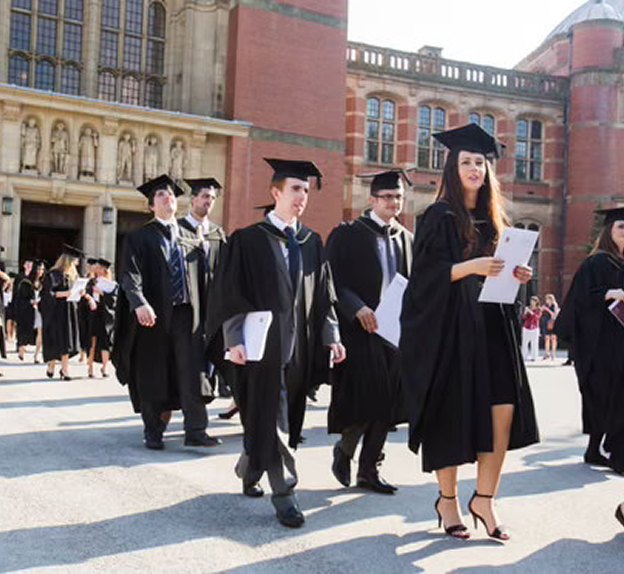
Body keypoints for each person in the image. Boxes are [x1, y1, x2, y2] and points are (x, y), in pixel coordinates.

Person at [400, 124, 539, 541]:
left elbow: (506, 281)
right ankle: (448, 500)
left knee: (502, 412)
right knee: (452, 414)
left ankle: (484, 498)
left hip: (494, 328)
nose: (475, 168)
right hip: (452, 332)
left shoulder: (497, 221)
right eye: (466, 162)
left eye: (480, 162)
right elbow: (422, 280)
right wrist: (471, 267)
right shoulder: (438, 217)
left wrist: (519, 275)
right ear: (452, 167)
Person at [207, 158, 346, 528]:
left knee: (277, 417)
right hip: (260, 348)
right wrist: (233, 339)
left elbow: (324, 298)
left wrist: (331, 335)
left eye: (305, 190)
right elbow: (230, 292)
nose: (302, 197)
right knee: (273, 415)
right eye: (295, 189)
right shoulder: (248, 240)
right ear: (275, 193)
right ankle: (285, 493)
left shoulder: (312, 242)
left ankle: (250, 465)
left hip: (299, 348)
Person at [112, 174, 220, 450]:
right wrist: (140, 303)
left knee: (191, 371)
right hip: (155, 317)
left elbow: (204, 278)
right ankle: (154, 431)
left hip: (187, 315)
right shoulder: (140, 237)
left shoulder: (189, 236)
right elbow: (129, 276)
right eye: (160, 195)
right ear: (151, 206)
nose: (168, 197)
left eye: (171, 194)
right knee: (153, 372)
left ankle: (196, 430)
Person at [326, 169, 414, 495]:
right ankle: (346, 449)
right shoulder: (348, 234)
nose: (394, 203)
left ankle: (369, 470)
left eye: (398, 198)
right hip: (359, 331)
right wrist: (356, 307)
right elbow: (331, 278)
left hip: (394, 332)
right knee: (368, 398)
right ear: (372, 200)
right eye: (388, 197)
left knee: (388, 402)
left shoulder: (407, 238)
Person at [556, 207, 624, 472]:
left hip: (620, 341)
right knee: (606, 395)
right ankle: (613, 454)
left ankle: (595, 449)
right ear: (609, 231)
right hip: (601, 343)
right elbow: (579, 300)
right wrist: (611, 293)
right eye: (621, 227)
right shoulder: (596, 263)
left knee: (618, 396)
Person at [179, 177, 228, 404]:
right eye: (205, 196)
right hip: (188, 310)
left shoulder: (218, 233)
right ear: (193, 199)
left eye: (213, 198)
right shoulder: (178, 230)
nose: (209, 201)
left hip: (213, 310)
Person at [40, 246, 82, 380]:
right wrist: (65, 293)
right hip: (56, 312)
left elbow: (75, 292)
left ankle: (65, 370)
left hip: (69, 311)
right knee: (55, 339)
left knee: (67, 340)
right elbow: (47, 295)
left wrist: (80, 292)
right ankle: (51, 365)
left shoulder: (73, 276)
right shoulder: (53, 275)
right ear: (68, 260)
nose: (77, 263)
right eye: (75, 260)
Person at [83, 259, 117, 378]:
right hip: (93, 313)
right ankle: (90, 367)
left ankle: (105, 367)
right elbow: (85, 293)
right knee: (92, 340)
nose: (95, 269)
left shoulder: (111, 284)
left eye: (98, 267)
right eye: (95, 267)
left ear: (104, 269)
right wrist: (90, 298)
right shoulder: (91, 282)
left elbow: (114, 300)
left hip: (106, 315)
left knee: (105, 341)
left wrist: (102, 293)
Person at [15, 261, 45, 363]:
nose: (40, 272)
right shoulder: (26, 282)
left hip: (40, 310)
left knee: (40, 332)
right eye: (38, 269)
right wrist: (31, 302)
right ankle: (21, 349)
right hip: (28, 310)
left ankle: (36, 356)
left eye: (42, 269)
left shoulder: (43, 283)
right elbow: (21, 299)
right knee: (25, 331)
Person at [521, 296, 542, 362]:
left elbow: (537, 317)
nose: (532, 302)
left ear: (536, 302)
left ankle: (534, 357)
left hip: (534, 328)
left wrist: (531, 312)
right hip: (526, 328)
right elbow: (523, 317)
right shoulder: (528, 308)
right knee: (524, 343)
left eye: (533, 301)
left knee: (534, 343)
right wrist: (525, 312)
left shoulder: (538, 309)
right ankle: (524, 356)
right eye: (531, 301)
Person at [541, 294, 559, 360]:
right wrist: (542, 309)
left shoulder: (554, 305)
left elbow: (554, 315)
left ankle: (553, 354)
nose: (547, 301)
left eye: (548, 299)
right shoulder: (546, 305)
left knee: (553, 338)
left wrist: (547, 310)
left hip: (552, 323)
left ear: (551, 299)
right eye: (546, 299)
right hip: (546, 322)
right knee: (547, 338)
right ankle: (547, 353)